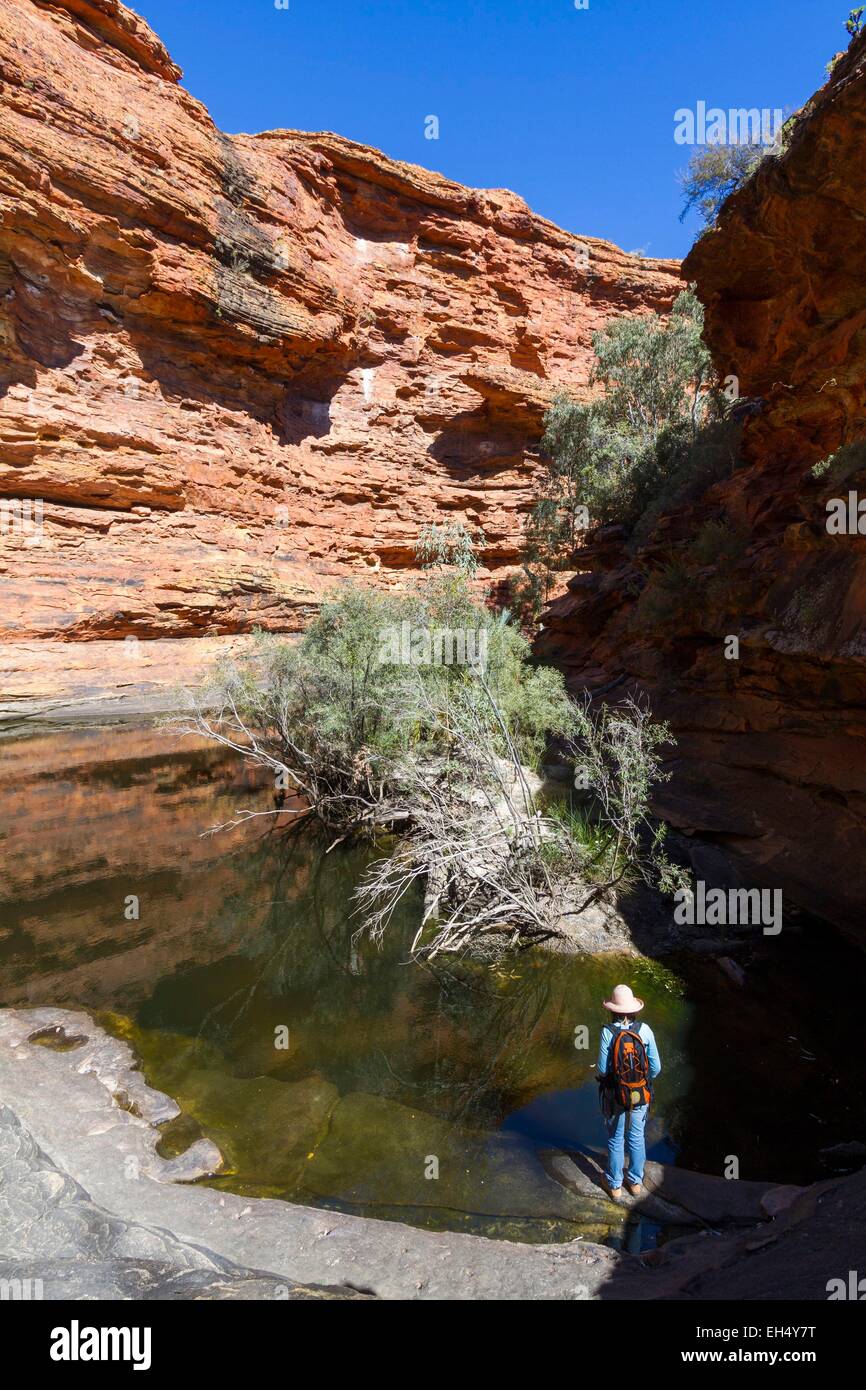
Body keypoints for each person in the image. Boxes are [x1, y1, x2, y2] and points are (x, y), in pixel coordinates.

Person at [596, 983, 661, 1200]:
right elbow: (657, 1067)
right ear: (634, 1010)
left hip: (616, 1096)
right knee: (636, 1137)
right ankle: (635, 1183)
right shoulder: (645, 1030)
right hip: (640, 1094)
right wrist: (641, 1081)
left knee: (616, 1139)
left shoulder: (608, 1032)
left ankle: (614, 1186)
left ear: (612, 1009)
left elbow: (603, 1070)